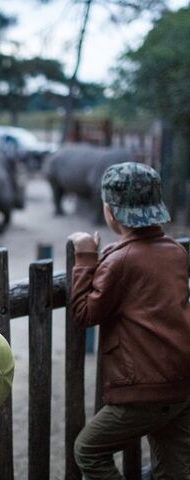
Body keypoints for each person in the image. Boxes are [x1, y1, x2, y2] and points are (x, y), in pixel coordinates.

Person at [68, 162, 190, 479]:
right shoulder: (176, 251)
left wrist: (84, 256)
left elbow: (84, 313)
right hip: (181, 386)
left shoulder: (120, 259)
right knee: (173, 469)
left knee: (89, 450)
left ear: (110, 211)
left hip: (142, 392)